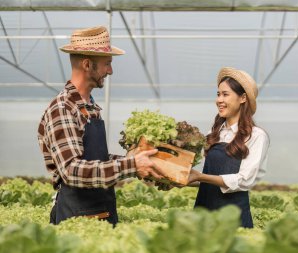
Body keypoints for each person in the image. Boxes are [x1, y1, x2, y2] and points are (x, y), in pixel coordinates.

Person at [37, 26, 164, 226]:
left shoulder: (90, 107)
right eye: (107, 64)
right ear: (87, 64)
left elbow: (96, 160)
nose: (110, 71)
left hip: (102, 211)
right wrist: (131, 165)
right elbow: (72, 170)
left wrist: (136, 161)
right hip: (76, 220)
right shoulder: (63, 108)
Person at [187, 67, 270, 228]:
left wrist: (200, 177)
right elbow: (208, 177)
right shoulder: (215, 131)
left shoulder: (256, 136)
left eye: (225, 94)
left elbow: (243, 181)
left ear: (243, 98)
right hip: (204, 213)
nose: (219, 100)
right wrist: (183, 179)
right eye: (218, 94)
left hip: (234, 219)